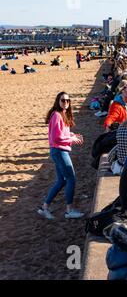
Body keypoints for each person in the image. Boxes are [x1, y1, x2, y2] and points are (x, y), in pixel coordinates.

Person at [38, 92, 85, 220]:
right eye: (63, 100)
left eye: (67, 100)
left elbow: (62, 134)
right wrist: (72, 140)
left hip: (58, 150)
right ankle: (69, 211)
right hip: (59, 151)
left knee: (61, 181)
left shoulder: (62, 114)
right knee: (71, 179)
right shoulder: (57, 115)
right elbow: (57, 138)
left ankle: (44, 207)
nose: (65, 103)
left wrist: (73, 136)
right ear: (57, 101)